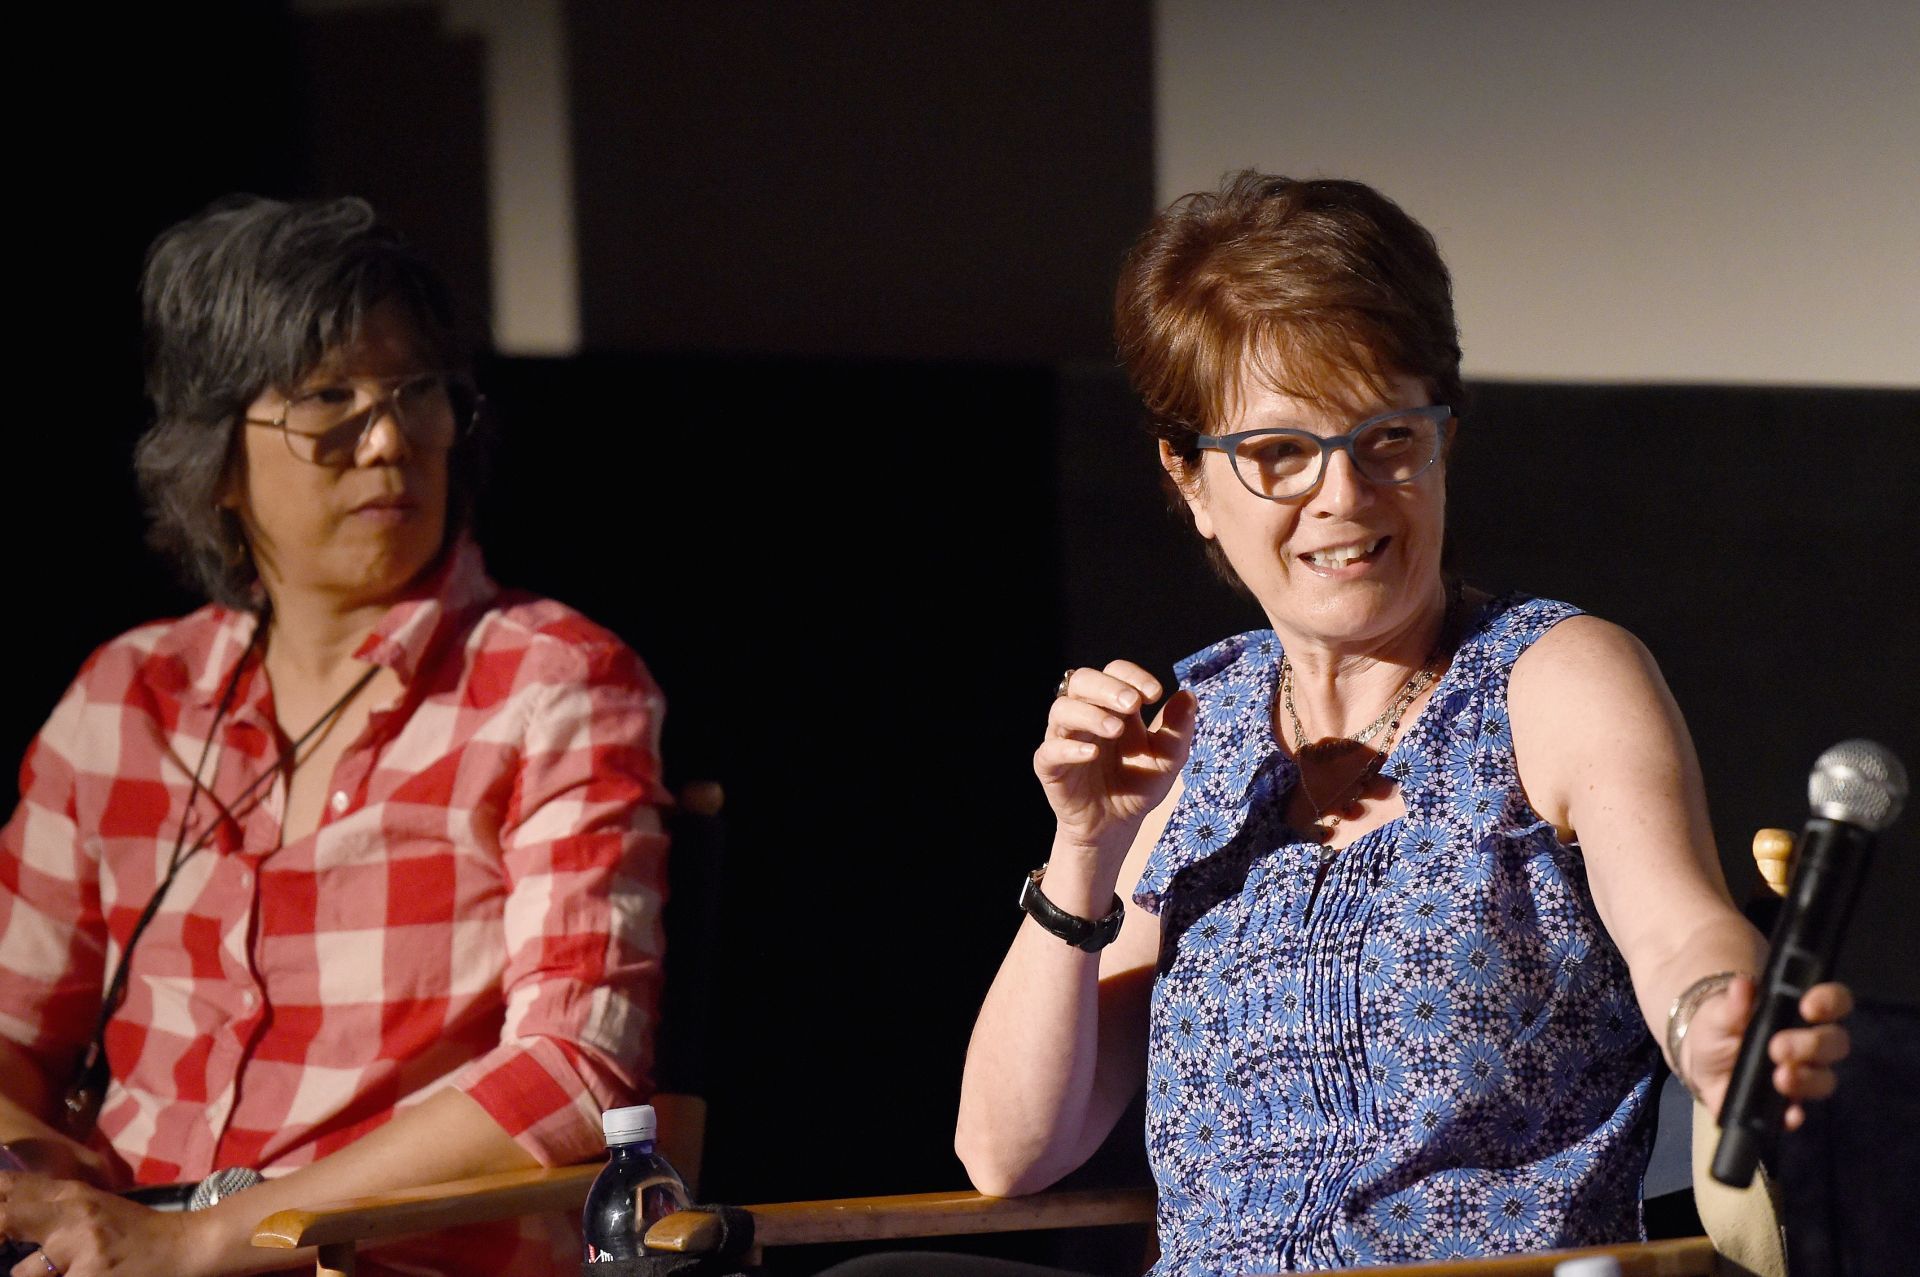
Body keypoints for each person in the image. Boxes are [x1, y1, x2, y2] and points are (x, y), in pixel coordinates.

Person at [952, 174, 1852, 1272]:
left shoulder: (1552, 678)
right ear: (1187, 477)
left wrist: (1719, 1012)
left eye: (1388, 436)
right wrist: (1084, 844)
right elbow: (1009, 1149)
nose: (1345, 494)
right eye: (1278, 452)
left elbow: (1678, 932)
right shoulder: (1191, 727)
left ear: (1445, 437)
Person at [0, 197, 667, 1277]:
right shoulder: (129, 694)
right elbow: (11, 1024)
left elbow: (572, 1068)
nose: (392, 440)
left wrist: (207, 1238)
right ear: (217, 460)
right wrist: (29, 1174)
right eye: (331, 403)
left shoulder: (550, 681)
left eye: (417, 396)